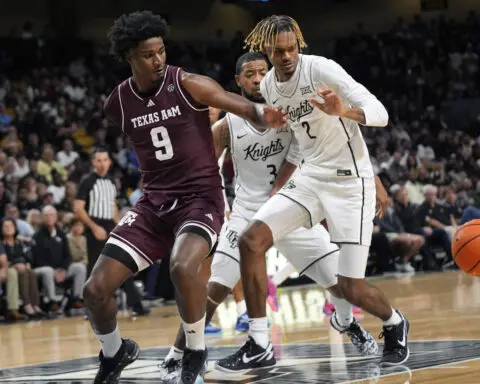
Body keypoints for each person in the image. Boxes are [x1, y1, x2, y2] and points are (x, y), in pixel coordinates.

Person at [82, 11, 286, 384]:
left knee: (181, 265)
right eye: (148, 54)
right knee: (94, 289)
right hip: (152, 204)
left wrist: (263, 114)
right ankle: (114, 353)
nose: (158, 60)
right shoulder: (118, 103)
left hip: (199, 198)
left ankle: (194, 351)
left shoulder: (188, 83)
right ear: (130, 55)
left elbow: (236, 104)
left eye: (161, 51)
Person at [160, 52, 381, 379]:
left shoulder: (293, 110)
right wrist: (215, 207)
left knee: (341, 284)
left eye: (262, 71)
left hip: (292, 210)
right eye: (249, 73)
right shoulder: (228, 125)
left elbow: (340, 142)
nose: (256, 78)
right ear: (239, 81)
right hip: (248, 215)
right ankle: (177, 354)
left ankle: (348, 325)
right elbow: (200, 171)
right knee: (214, 289)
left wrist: (372, 178)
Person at [216, 15, 409, 371]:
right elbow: (299, 140)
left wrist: (344, 111)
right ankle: (259, 342)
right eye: (278, 50)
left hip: (351, 184)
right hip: (310, 178)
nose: (286, 55)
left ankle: (394, 322)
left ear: (299, 46)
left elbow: (380, 113)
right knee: (250, 240)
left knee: (350, 288)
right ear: (266, 51)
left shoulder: (322, 69)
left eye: (292, 48)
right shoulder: (271, 86)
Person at [74, 147, 148, 316]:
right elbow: (78, 208)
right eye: (98, 160)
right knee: (94, 269)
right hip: (95, 226)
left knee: (120, 264)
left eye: (105, 160)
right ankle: (91, 309)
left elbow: (112, 205)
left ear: (109, 161)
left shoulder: (111, 181)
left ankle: (135, 304)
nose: (102, 163)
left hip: (110, 226)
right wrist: (94, 227)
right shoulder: (87, 181)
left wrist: (118, 227)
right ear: (93, 162)